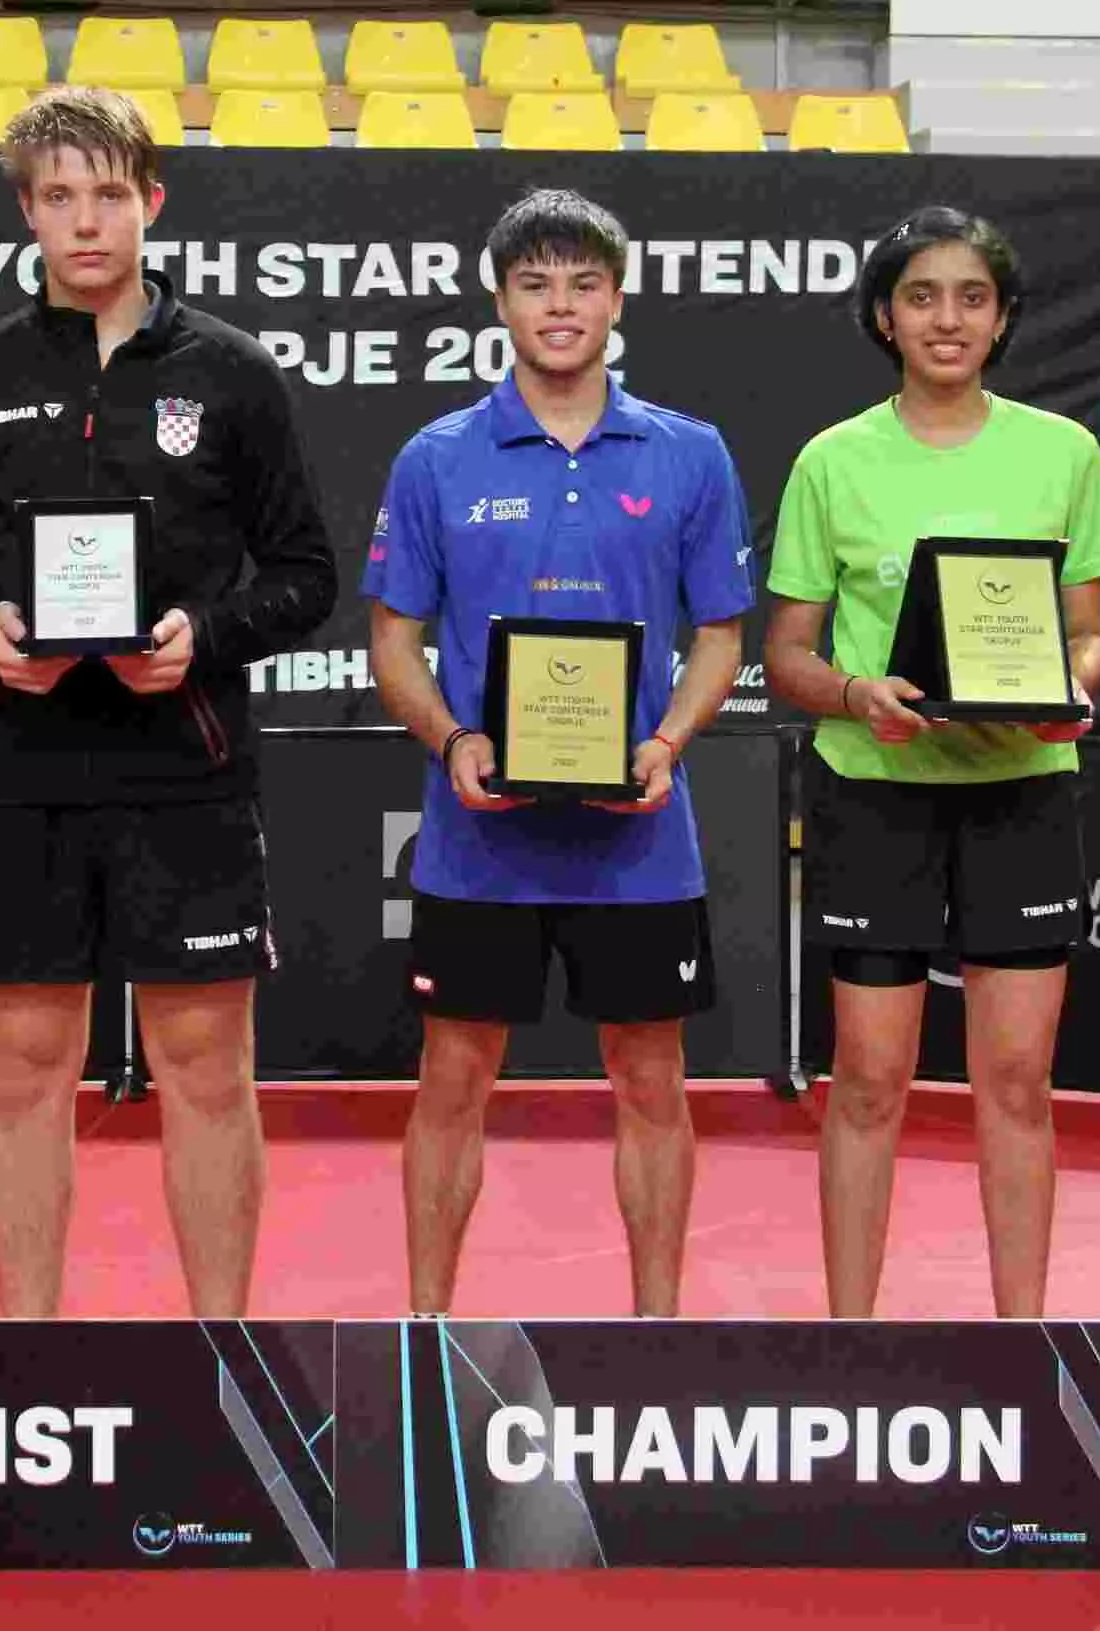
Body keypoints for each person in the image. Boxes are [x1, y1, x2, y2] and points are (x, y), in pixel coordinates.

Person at [0, 88, 337, 1318]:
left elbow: (304, 574)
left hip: (185, 768)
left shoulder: (233, 375)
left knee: (206, 1066)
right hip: (14, 770)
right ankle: (30, 1356)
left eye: (106, 194)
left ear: (151, 202)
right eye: (57, 197)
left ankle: (225, 1350)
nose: (84, 221)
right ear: (26, 213)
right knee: (22, 1070)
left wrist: (205, 636)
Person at [366, 189, 756, 1317]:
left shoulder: (690, 452)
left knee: (651, 1078)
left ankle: (655, 1335)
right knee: (452, 1076)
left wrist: (667, 742)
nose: (560, 305)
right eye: (534, 284)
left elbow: (720, 635)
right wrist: (453, 738)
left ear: (617, 299)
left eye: (583, 283)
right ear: (500, 301)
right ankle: (426, 1328)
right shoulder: (436, 457)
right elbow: (392, 640)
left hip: (638, 839)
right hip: (477, 839)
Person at [761, 205, 1100, 1320]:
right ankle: (851, 1342)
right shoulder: (831, 460)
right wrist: (855, 693)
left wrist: (1072, 689)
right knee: (869, 1081)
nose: (947, 319)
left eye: (972, 297)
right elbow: (787, 654)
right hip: (874, 795)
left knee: (1015, 1081)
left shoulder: (1062, 452)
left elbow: (1087, 636)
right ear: (885, 316)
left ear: (1003, 318)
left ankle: (1021, 1341)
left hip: (1021, 794)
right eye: (921, 296)